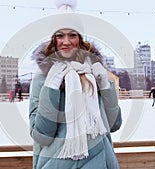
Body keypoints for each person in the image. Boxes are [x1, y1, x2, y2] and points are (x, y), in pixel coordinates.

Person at [28, 11, 122, 169]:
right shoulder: (43, 78)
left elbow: (113, 124)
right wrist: (51, 88)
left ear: (80, 39)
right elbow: (42, 136)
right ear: (54, 40)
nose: (66, 41)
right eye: (60, 36)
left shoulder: (94, 71)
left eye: (72, 35)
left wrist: (105, 86)